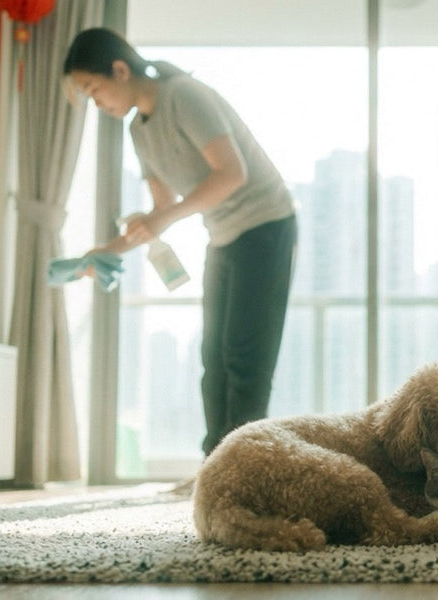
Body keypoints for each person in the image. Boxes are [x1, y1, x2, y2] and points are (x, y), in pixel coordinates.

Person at [63, 28, 297, 460]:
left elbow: (231, 174)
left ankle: (244, 469)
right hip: (223, 234)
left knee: (245, 360)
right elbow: (161, 209)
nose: (97, 103)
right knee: (213, 361)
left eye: (94, 90)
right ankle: (215, 464)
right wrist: (105, 251)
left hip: (266, 225)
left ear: (119, 70)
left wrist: (161, 217)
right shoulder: (139, 130)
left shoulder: (184, 96)